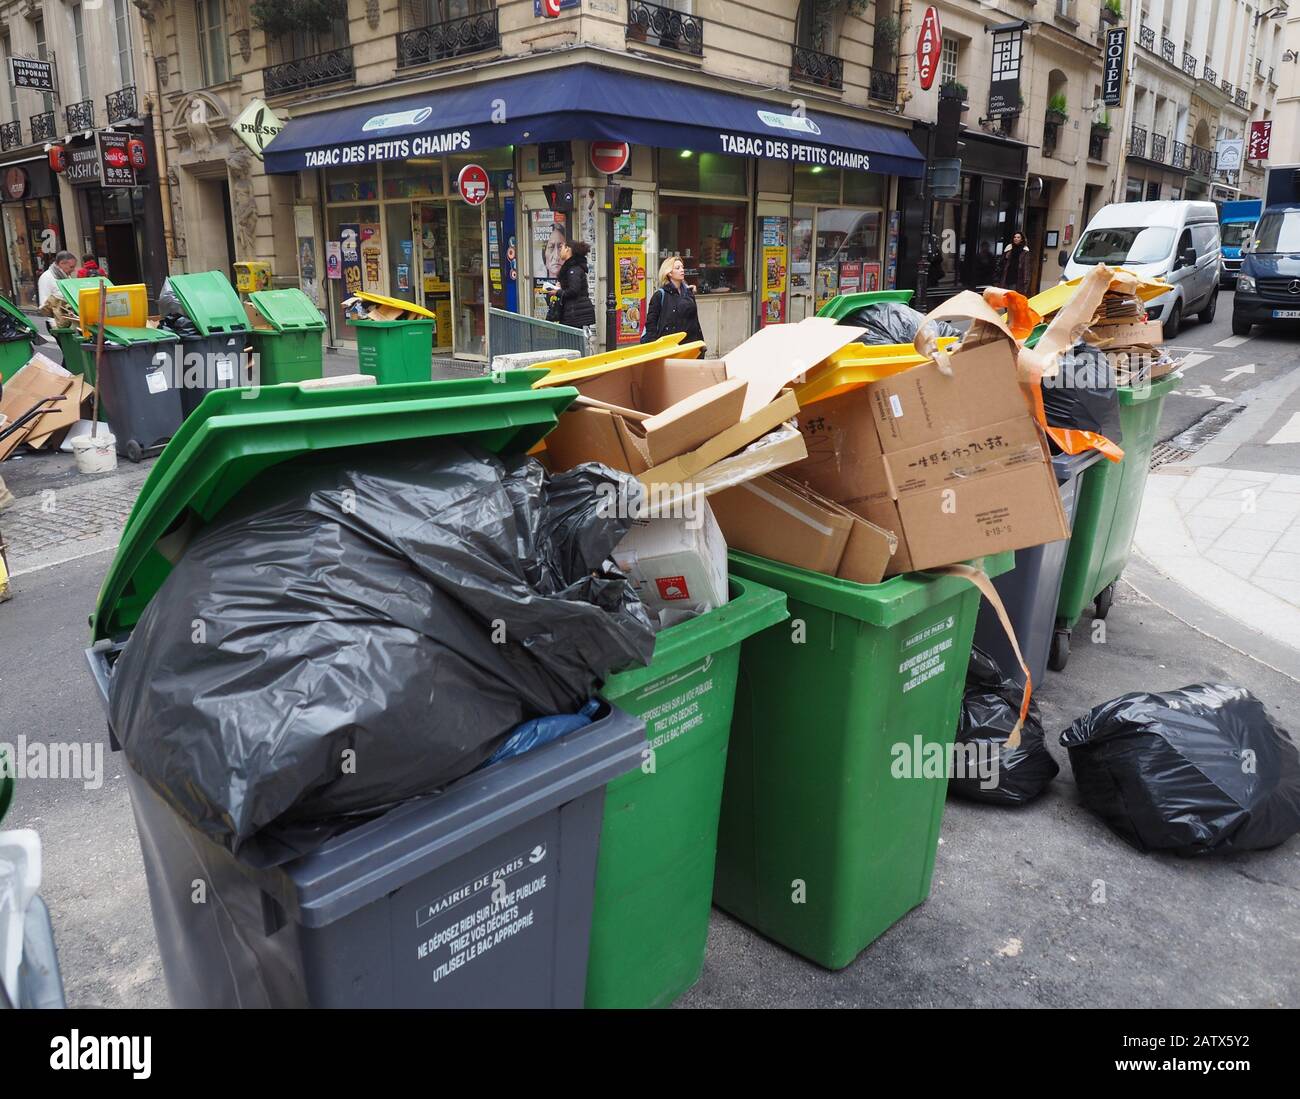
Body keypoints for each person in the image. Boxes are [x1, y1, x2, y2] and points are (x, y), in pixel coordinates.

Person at [641, 255, 704, 349]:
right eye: (678, 268)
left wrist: (701, 344)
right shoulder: (660, 295)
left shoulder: (688, 293)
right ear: (669, 273)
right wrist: (652, 348)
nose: (682, 270)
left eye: (682, 267)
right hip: (669, 347)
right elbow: (651, 324)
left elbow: (695, 322)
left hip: (690, 346)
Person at [553, 240, 596, 350]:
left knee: (571, 345)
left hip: (575, 315)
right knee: (573, 344)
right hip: (574, 313)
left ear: (568, 249)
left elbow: (574, 290)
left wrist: (557, 292)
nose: (559, 252)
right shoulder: (573, 268)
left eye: (561, 247)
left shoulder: (573, 270)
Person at [999, 231, 1033, 295]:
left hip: (1017, 279)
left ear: (1021, 239)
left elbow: (1026, 268)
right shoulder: (1009, 249)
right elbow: (1002, 264)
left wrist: (1025, 283)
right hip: (1006, 278)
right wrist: (1005, 257)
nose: (1016, 238)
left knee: (1013, 298)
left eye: (1018, 237)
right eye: (1015, 237)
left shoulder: (1025, 251)